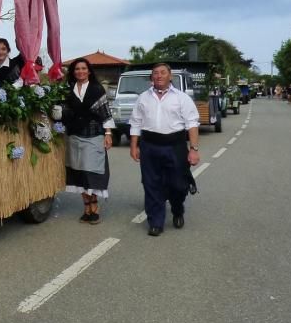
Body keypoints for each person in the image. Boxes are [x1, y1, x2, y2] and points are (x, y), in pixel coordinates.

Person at [129, 63, 201, 236]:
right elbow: (135, 123)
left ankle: (177, 209)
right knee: (151, 184)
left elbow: (192, 124)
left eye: (163, 72)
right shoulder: (143, 98)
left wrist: (194, 149)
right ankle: (155, 221)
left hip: (175, 145)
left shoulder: (182, 98)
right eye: (155, 73)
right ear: (151, 77)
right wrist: (134, 146)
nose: (159, 75)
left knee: (178, 184)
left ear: (170, 76)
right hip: (150, 146)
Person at [62, 58, 115, 225]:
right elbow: (63, 110)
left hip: (93, 135)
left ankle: (94, 206)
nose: (80, 71)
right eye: (77, 69)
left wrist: (108, 133)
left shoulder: (96, 89)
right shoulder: (68, 89)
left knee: (91, 171)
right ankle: (86, 207)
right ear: (73, 72)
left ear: (89, 71)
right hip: (73, 135)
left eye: (83, 68)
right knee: (78, 171)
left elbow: (105, 112)